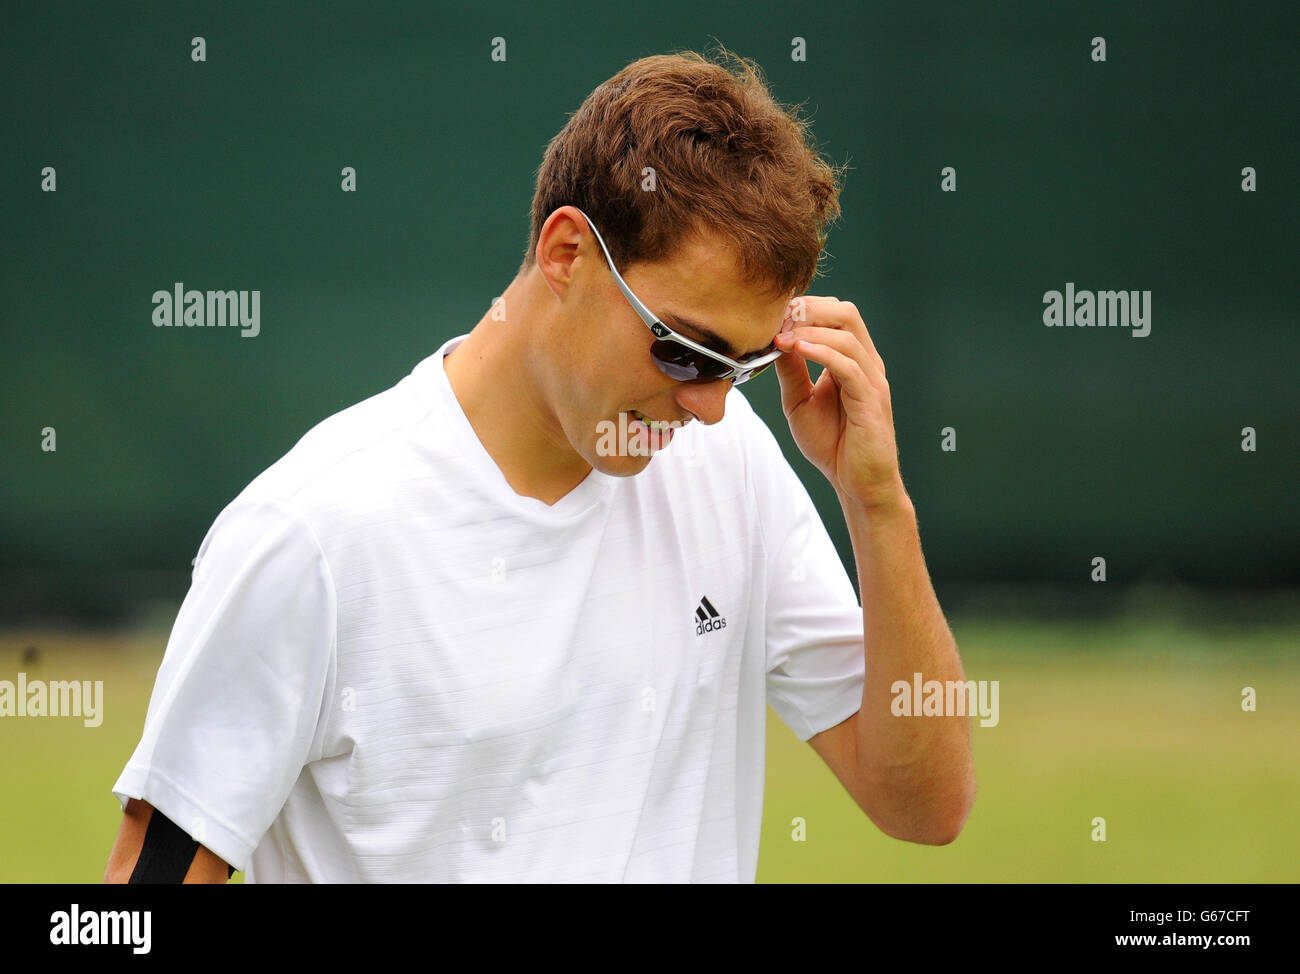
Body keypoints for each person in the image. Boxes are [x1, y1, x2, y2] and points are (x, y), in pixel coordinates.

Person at [105, 48, 975, 884]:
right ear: (567, 253)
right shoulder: (312, 533)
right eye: (682, 351)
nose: (710, 403)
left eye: (738, 367)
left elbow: (923, 804)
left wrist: (877, 502)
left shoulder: (731, 459)